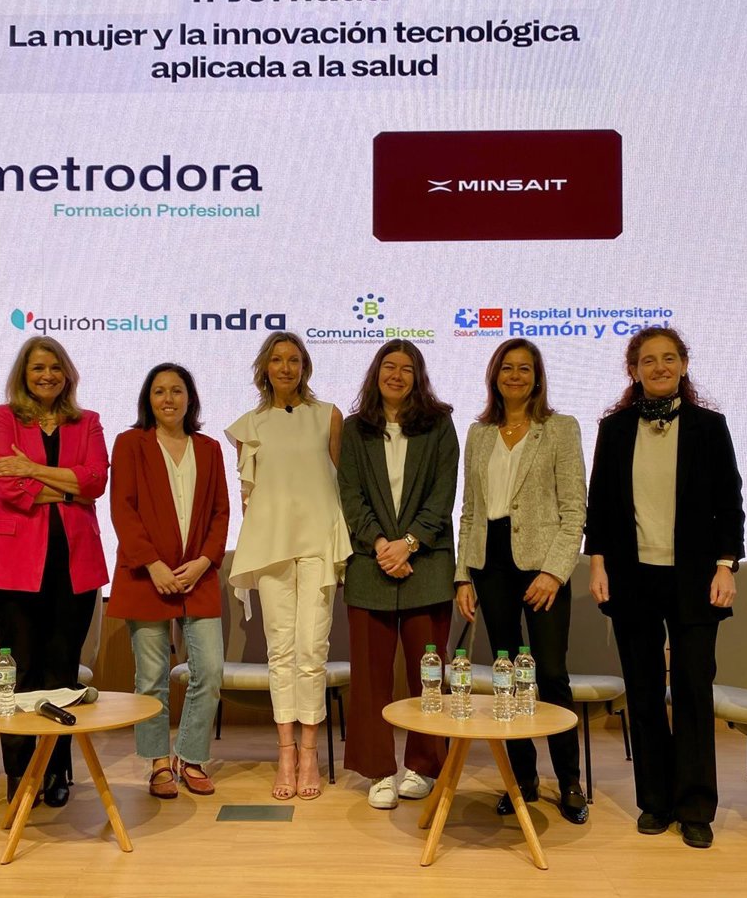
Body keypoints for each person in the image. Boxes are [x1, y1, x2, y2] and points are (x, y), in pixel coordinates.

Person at [584, 327, 744, 849]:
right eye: (648, 360)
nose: (659, 367)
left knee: (694, 689)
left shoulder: (709, 426)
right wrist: (597, 564)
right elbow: (600, 505)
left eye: (669, 358)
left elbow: (730, 503)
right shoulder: (613, 428)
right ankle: (654, 801)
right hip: (631, 576)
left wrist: (726, 565)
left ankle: (695, 807)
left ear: (683, 365)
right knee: (644, 689)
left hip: (694, 577)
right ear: (634, 369)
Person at [454, 337, 588, 823]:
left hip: (541, 565)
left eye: (524, 369)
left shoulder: (560, 429)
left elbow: (574, 510)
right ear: (494, 376)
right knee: (506, 675)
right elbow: (470, 511)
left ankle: (569, 781)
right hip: (489, 564)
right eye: (507, 368)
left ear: (537, 377)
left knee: (550, 674)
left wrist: (554, 571)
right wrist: (463, 576)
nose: (515, 376)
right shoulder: (479, 433)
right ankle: (522, 780)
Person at [0, 336, 109, 808]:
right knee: (17, 674)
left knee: (61, 674)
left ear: (67, 374)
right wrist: (68, 487)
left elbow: (96, 482)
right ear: (24, 374)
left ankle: (56, 771)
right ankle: (19, 774)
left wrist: (32, 468)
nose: (47, 375)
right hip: (15, 566)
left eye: (55, 367)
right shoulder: (2, 417)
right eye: (38, 368)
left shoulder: (87, 421)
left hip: (73, 565)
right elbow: (6, 485)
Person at [226, 331, 352, 800]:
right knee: (280, 652)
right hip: (271, 546)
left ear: (305, 367)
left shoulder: (328, 416)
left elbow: (340, 483)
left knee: (312, 651)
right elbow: (249, 496)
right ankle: (285, 753)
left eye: (294, 360)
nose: (285, 368)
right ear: (265, 367)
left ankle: (310, 752)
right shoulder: (250, 425)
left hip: (319, 544)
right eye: (277, 360)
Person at [337, 340, 459, 809]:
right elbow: (350, 495)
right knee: (370, 679)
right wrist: (381, 545)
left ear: (418, 377)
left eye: (407, 368)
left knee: (428, 674)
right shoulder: (355, 429)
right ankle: (378, 770)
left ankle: (425, 765)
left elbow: (443, 495)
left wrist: (408, 544)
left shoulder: (439, 425)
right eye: (389, 366)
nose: (397, 375)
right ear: (376, 373)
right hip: (370, 564)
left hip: (425, 564)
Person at [108, 363, 229, 798]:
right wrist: (152, 564)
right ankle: (159, 762)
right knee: (151, 677)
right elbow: (122, 508)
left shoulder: (210, 448)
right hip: (145, 576)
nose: (168, 399)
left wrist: (204, 561)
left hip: (199, 575)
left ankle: (191, 756)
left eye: (177, 391)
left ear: (189, 398)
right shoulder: (129, 444)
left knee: (210, 671)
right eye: (159, 391)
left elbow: (220, 512)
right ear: (148, 399)